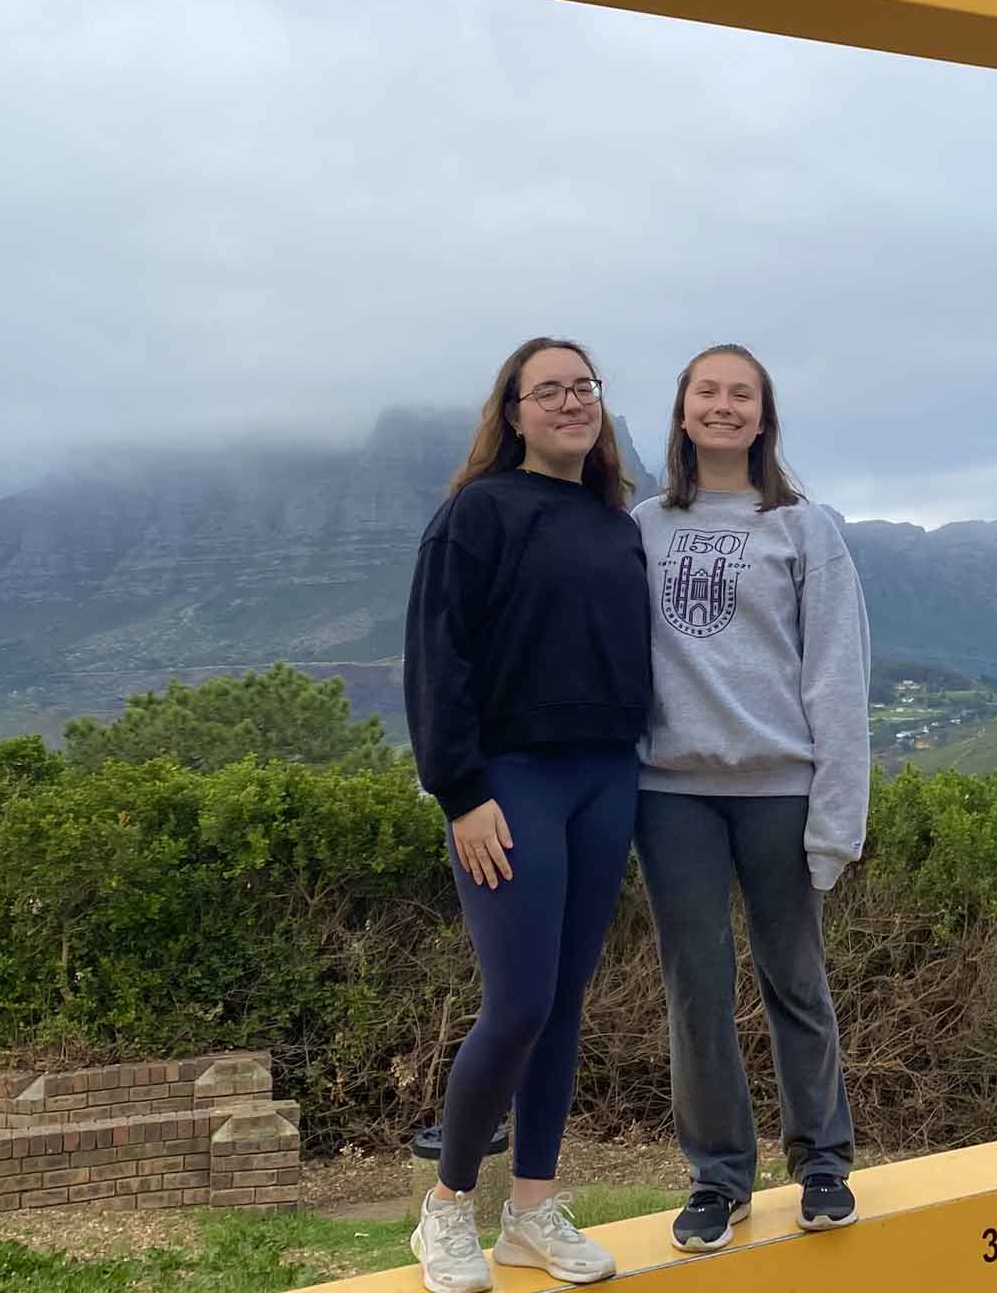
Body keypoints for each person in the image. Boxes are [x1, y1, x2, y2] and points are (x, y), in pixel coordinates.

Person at [402, 337, 651, 1291]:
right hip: (510, 786)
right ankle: (446, 1209)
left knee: (564, 1005)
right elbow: (439, 659)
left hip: (605, 780)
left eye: (584, 387)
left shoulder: (612, 520)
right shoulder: (476, 513)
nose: (571, 403)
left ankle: (533, 1214)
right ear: (512, 413)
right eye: (548, 391)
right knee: (518, 1005)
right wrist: (461, 793)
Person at [631, 342, 872, 1253]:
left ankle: (822, 1165)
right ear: (684, 411)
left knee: (794, 979)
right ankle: (719, 1179)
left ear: (763, 417)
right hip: (671, 795)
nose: (724, 406)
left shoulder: (806, 528)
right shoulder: (642, 527)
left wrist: (835, 819)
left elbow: (838, 677)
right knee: (695, 988)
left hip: (780, 787)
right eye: (708, 391)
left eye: (743, 394)